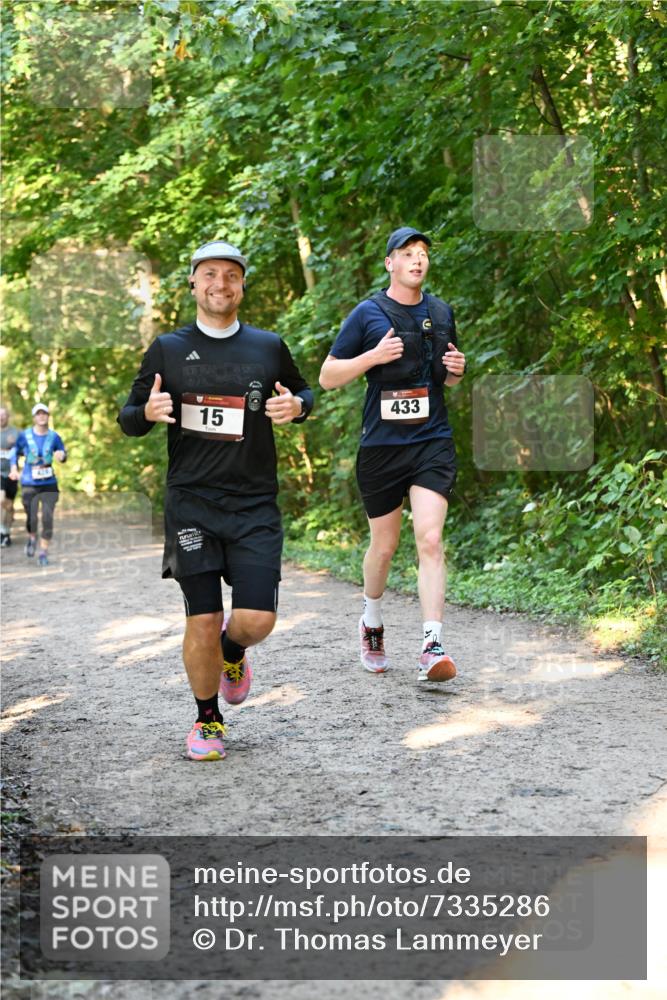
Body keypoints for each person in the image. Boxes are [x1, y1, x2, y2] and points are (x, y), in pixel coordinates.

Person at [118, 239, 313, 762]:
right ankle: (207, 721)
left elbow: (303, 392)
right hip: (192, 504)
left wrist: (297, 405)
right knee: (201, 618)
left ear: (241, 285)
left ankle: (234, 651)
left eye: (230, 275)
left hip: (253, 505)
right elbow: (129, 415)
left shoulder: (268, 346)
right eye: (210, 274)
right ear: (193, 284)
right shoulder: (167, 349)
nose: (220, 284)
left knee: (256, 621)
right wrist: (148, 411)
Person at [319, 226, 466, 683]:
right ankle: (372, 619)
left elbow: (446, 379)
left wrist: (457, 372)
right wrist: (372, 357)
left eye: (422, 253)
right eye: (407, 254)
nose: (417, 260)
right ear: (390, 263)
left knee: (430, 539)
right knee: (384, 546)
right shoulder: (368, 314)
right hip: (381, 445)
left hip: (431, 441)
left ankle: (431, 643)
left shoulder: (441, 312)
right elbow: (327, 376)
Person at [9, 403, 67, 567]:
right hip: (29, 482)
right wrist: (14, 468)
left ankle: (43, 552)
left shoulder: (54, 437)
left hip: (49, 483)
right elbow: (15, 452)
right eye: (38, 414)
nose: (42, 416)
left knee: (48, 518)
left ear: (48, 416)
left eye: (44, 414)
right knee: (32, 518)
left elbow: (62, 453)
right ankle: (32, 536)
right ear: (34, 417)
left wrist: (61, 456)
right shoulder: (25, 436)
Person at [0, 406, 20, 547]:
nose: (1, 418)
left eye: (3, 415)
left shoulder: (16, 433)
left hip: (11, 474)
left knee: (8, 506)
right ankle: (2, 531)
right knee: (1, 500)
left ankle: (5, 533)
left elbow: (26, 449)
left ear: (8, 417)